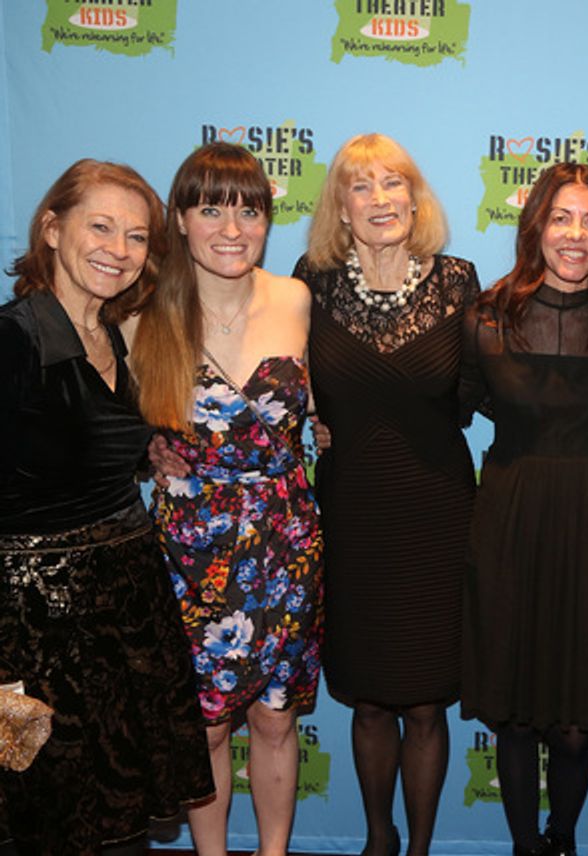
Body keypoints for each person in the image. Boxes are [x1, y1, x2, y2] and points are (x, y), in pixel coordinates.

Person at [0, 160, 213, 854]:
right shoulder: (13, 339)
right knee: (48, 824)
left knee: (119, 827)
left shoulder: (115, 335)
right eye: (100, 227)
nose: (118, 250)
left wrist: (146, 446)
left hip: (127, 619)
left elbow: (75, 440)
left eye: (136, 237)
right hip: (36, 634)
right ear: (51, 229)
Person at [130, 142, 322, 856]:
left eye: (250, 211)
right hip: (190, 552)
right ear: (179, 219)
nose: (233, 229)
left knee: (275, 718)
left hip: (286, 543)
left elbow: (320, 405)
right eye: (211, 210)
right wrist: (145, 451)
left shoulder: (295, 298)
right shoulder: (142, 313)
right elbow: (102, 429)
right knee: (206, 725)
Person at [292, 133, 478, 856]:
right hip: (353, 516)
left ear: (415, 197)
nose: (379, 199)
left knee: (427, 701)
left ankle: (421, 848)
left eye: (393, 182)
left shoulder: (458, 281)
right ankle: (379, 840)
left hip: (437, 514)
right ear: (340, 206)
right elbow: (281, 371)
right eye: (360, 185)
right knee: (368, 700)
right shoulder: (310, 283)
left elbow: (474, 395)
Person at [459, 163, 588, 856]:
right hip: (510, 523)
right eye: (561, 218)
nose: (575, 235)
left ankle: (563, 839)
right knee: (517, 718)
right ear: (536, 226)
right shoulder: (487, 316)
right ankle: (525, 846)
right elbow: (447, 408)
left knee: (575, 725)